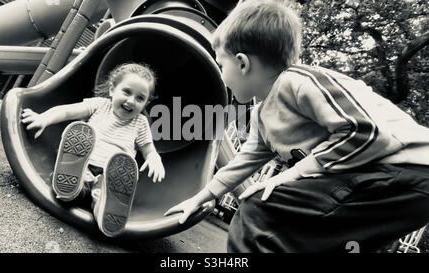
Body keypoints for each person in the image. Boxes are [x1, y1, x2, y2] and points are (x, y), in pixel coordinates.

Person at [165, 0, 429, 252]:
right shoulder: (262, 116)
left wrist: (291, 174)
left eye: (221, 64)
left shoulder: (298, 82)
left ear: (242, 63)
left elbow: (368, 133)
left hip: (407, 169)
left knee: (260, 212)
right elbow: (241, 163)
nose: (222, 75)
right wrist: (199, 198)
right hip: (394, 184)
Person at [22, 63, 165, 237]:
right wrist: (43, 118)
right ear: (112, 90)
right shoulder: (99, 105)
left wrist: (154, 158)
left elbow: (149, 150)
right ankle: (72, 187)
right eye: (126, 92)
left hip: (110, 176)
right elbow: (67, 112)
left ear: (146, 103)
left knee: (104, 193)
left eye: (140, 98)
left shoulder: (140, 123)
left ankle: (104, 210)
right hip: (84, 164)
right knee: (75, 181)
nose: (131, 101)